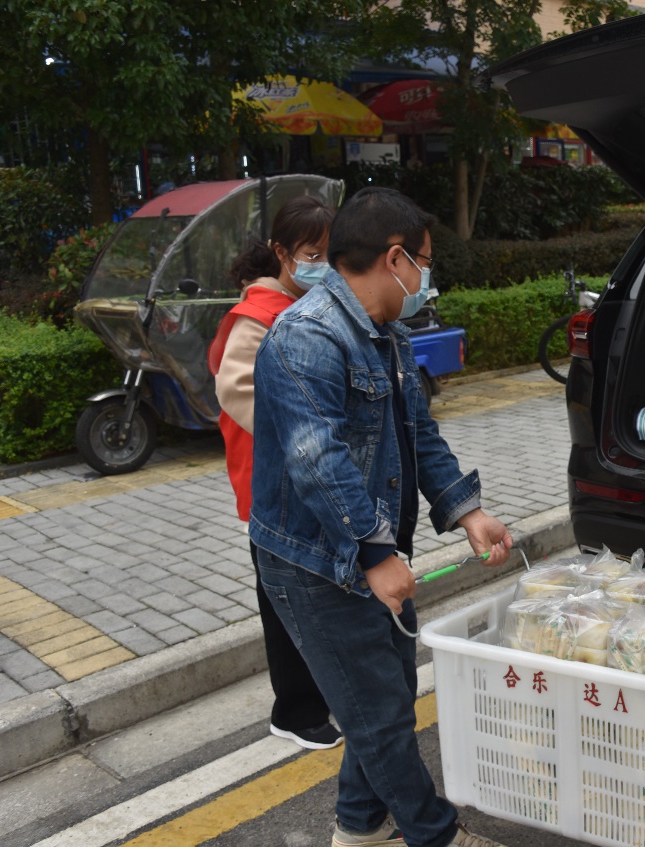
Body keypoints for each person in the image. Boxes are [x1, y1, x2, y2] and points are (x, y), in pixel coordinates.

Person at [249, 187, 513, 847]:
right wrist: (375, 552)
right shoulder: (307, 336)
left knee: (384, 697)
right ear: (395, 259)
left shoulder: (386, 336)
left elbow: (418, 435)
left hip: (366, 551)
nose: (426, 279)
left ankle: (359, 828)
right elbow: (317, 458)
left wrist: (467, 511)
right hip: (315, 561)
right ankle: (436, 836)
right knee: (379, 714)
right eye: (424, 262)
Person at [208, 195, 342, 751]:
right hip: (272, 483)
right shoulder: (259, 314)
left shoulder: (306, 304)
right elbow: (235, 389)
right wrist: (305, 435)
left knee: (310, 593)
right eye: (312, 254)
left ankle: (315, 696)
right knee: (284, 598)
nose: (323, 265)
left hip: (305, 478)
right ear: (282, 253)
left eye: (331, 254)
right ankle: (294, 711)